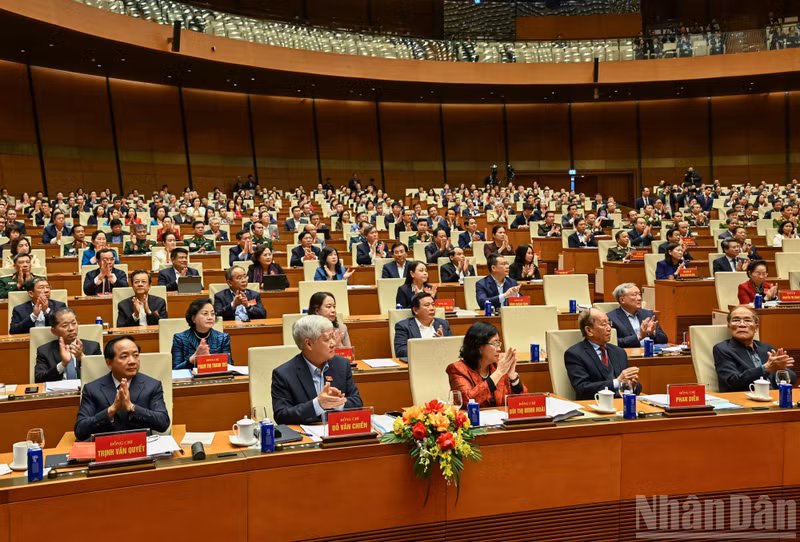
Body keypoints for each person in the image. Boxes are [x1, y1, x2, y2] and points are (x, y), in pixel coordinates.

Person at [74, 336, 170, 441]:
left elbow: (163, 422)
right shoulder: (92, 389)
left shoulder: (152, 385)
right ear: (109, 363)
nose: (132, 361)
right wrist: (111, 410)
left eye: (136, 355)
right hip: (106, 451)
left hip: (141, 449)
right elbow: (80, 430)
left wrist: (132, 408)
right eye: (124, 356)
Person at [271, 315, 363, 424]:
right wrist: (317, 405)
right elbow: (282, 415)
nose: (333, 344)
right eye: (327, 339)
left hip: (337, 433)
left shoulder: (342, 365)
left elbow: (357, 402)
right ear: (309, 344)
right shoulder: (284, 374)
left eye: (333, 337)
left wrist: (337, 403)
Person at [713, 306, 796, 392]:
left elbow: (792, 379)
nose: (742, 325)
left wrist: (781, 369)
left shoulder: (767, 348)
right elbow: (732, 382)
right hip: (744, 399)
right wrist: (766, 368)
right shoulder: (723, 349)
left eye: (747, 320)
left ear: (756, 327)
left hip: (774, 397)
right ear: (729, 327)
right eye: (736, 320)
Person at [564, 308, 641, 400]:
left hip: (621, 404)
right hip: (594, 406)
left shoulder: (619, 352)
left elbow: (633, 388)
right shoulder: (575, 354)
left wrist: (632, 384)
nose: (609, 328)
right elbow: (582, 389)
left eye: (609, 323)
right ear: (589, 330)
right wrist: (617, 382)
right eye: (603, 324)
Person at [446, 321, 526, 407]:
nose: (499, 348)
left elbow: (522, 401)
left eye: (499, 343)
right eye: (495, 344)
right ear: (478, 347)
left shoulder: (496, 366)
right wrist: (498, 373)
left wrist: (512, 376)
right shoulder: (457, 369)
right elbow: (468, 401)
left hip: (500, 419)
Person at [34, 307, 102, 383]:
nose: (71, 328)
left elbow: (101, 375)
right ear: (54, 331)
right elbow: (39, 379)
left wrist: (82, 358)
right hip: (58, 393)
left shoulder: (93, 347)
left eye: (74, 323)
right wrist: (63, 364)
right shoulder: (44, 351)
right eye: (65, 325)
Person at [171, 299, 231, 369]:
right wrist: (192, 360)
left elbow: (229, 366)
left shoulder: (223, 338)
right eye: (205, 314)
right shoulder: (180, 339)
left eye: (212, 314)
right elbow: (174, 370)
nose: (210, 317)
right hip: (189, 379)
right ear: (193, 318)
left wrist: (210, 360)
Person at [394, 292, 453, 358]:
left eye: (433, 305)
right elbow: (400, 351)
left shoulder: (443, 324)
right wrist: (428, 349)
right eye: (427, 305)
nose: (432, 308)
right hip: (418, 363)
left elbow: (452, 348)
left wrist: (443, 341)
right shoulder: (403, 326)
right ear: (415, 310)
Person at [608, 283, 668, 347]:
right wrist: (639, 336)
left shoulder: (648, 314)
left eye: (639, 294)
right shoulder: (611, 318)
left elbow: (664, 340)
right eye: (634, 295)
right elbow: (613, 343)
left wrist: (652, 333)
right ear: (622, 300)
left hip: (651, 353)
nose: (639, 298)